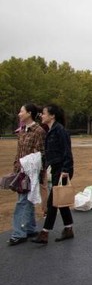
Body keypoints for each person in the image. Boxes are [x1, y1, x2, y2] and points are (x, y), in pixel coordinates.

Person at [32, 104, 74, 244]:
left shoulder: (60, 130)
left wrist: (65, 170)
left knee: (53, 202)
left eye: (44, 113)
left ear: (52, 115)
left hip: (62, 170)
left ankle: (45, 233)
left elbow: (67, 151)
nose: (41, 116)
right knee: (60, 200)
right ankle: (68, 229)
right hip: (56, 168)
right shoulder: (51, 130)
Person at [8, 103, 46, 246]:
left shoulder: (39, 131)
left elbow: (41, 153)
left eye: (21, 111)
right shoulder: (22, 130)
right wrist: (16, 167)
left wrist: (35, 171)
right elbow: (19, 152)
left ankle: (18, 233)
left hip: (31, 172)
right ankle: (30, 228)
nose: (19, 114)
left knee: (22, 202)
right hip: (21, 171)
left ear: (29, 113)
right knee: (26, 200)